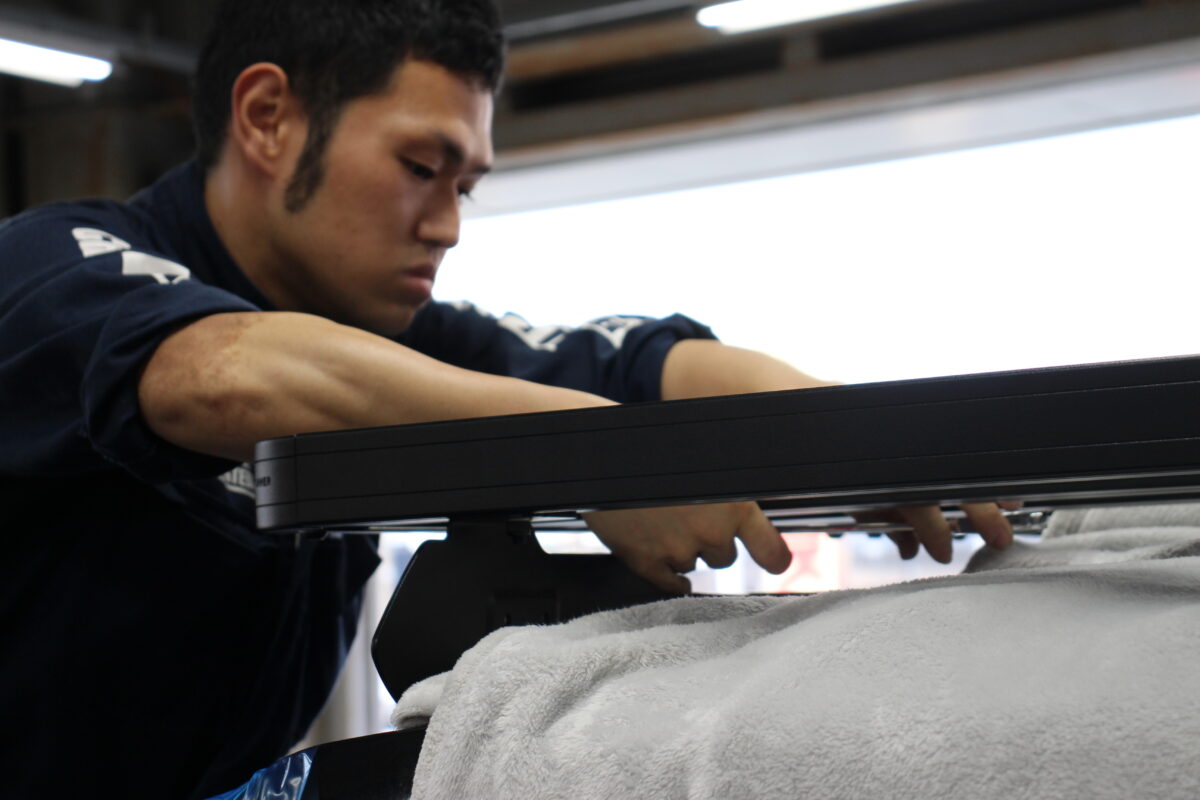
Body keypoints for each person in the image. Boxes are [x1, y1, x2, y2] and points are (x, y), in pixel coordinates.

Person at [0, 1, 1015, 797]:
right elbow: (221, 372)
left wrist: (864, 439)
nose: (447, 224)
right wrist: (598, 457)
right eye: (420, 167)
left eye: (465, 186)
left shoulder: (396, 340)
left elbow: (640, 367)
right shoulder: (59, 265)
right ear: (268, 119)